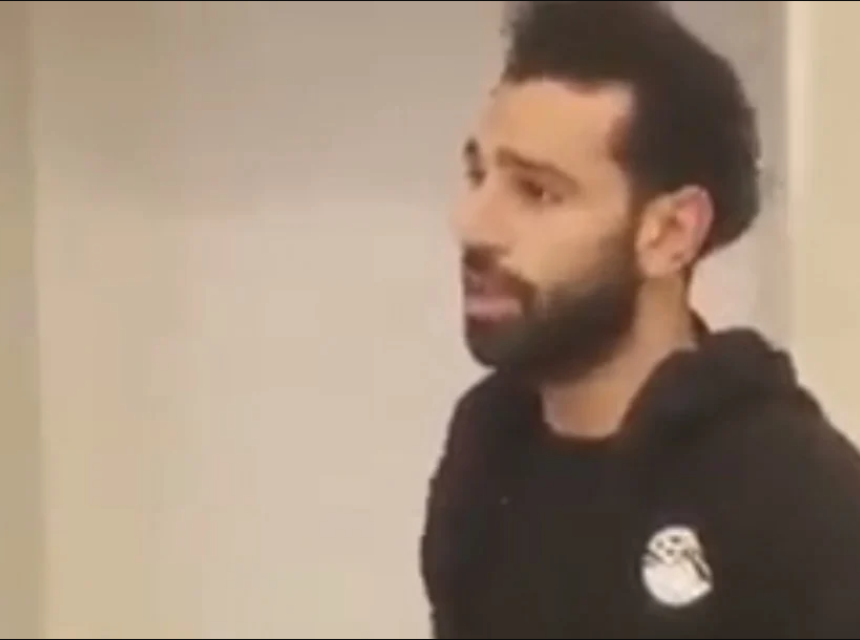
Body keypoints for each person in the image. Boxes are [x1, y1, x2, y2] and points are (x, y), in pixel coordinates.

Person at [420, 1, 860, 638]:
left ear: (671, 233)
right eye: (478, 174)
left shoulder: (795, 496)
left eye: (536, 192)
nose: (473, 224)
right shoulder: (487, 445)